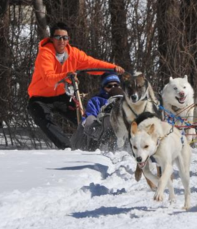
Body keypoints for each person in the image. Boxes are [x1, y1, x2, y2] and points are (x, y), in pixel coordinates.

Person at [27, 22, 125, 150]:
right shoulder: (45, 54)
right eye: (58, 37)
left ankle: (95, 144)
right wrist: (65, 76)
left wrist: (112, 68)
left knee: (82, 119)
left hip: (62, 96)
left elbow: (92, 64)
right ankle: (67, 147)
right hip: (40, 97)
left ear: (68, 39)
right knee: (42, 117)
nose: (61, 41)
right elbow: (48, 78)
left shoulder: (73, 54)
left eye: (65, 38)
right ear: (52, 38)